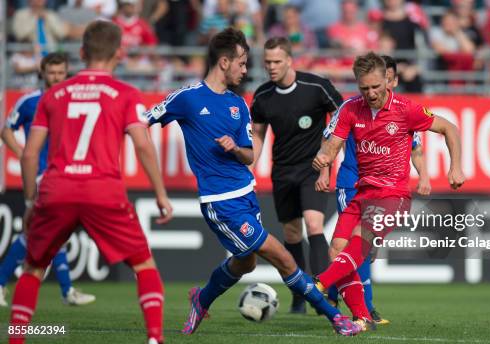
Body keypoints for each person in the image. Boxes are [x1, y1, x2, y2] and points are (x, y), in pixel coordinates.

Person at [145, 27, 360, 337]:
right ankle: (335, 317)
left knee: (246, 264)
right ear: (223, 62)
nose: (246, 70)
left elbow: (249, 156)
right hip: (221, 202)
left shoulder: (237, 105)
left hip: (246, 194)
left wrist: (235, 149)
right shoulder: (187, 98)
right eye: (242, 63)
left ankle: (201, 298)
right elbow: (142, 121)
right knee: (283, 257)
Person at [8, 20, 173, 344]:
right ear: (119, 54)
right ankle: (155, 339)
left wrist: (30, 202)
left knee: (33, 270)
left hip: (57, 189)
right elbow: (142, 144)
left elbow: (29, 155)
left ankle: (16, 339)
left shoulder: (53, 95)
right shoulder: (126, 94)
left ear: (82, 52)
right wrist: (160, 193)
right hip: (103, 190)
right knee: (143, 265)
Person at [312, 52, 465, 330]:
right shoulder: (350, 109)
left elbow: (450, 128)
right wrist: (324, 158)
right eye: (364, 88)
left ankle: (319, 283)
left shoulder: (406, 109)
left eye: (375, 87)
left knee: (359, 245)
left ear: (388, 80)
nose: (370, 93)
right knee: (337, 249)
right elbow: (332, 145)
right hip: (362, 193)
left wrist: (455, 167)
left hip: (393, 196)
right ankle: (360, 317)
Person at [250, 36, 343, 313]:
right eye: (267, 62)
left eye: (277, 61)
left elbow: (341, 120)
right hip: (282, 171)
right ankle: (300, 296)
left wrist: (326, 163)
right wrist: (249, 172)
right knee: (291, 234)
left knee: (314, 226)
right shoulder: (263, 95)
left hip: (313, 168)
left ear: (290, 60)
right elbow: (257, 135)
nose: (271, 67)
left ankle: (326, 294)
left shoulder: (316, 87)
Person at [0, 53, 96, 308]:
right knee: (38, 232)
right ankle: (2, 284)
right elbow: (6, 129)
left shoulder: (74, 100)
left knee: (53, 233)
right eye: (51, 72)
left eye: (60, 72)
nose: (56, 77)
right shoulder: (30, 101)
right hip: (42, 175)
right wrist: (23, 154)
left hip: (66, 175)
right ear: (42, 73)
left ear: (66, 73)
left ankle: (66, 291)